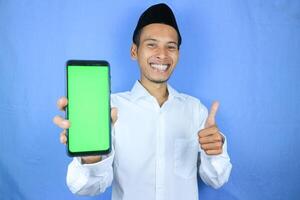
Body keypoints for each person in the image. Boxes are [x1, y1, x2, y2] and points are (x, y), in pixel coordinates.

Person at [53, 3, 232, 200]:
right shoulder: (108, 109)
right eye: (151, 44)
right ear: (134, 51)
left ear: (178, 54)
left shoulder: (195, 110)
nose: (162, 54)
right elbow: (85, 187)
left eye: (170, 47)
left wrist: (215, 151)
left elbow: (216, 179)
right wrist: (90, 155)